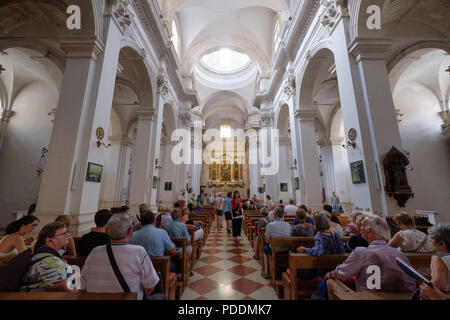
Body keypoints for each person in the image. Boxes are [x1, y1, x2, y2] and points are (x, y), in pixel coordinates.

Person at [325, 214, 417, 299]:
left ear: (369, 231)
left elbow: (341, 274)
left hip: (372, 297)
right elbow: (411, 282)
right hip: (403, 298)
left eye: (362, 229)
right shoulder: (401, 255)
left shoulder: (361, 252)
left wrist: (330, 274)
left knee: (330, 282)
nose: (361, 232)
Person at [81, 214, 163, 300]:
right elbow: (150, 286)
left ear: (107, 231)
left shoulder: (95, 252)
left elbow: (83, 284)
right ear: (130, 231)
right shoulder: (139, 252)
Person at [21, 222, 77, 292]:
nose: (68, 235)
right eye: (63, 234)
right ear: (49, 240)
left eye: (67, 232)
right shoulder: (50, 261)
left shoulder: (43, 254)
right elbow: (62, 289)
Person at [295, 212, 345, 280]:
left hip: (324, 269)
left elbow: (318, 252)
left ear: (316, 224)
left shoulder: (319, 236)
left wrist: (304, 249)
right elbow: (342, 251)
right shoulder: (336, 235)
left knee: (300, 268)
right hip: (336, 268)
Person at [261, 207, 291, 279]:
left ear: (275, 215)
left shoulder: (270, 225)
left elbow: (267, 241)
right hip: (286, 249)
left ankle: (266, 272)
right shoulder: (288, 225)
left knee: (265, 249)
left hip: (275, 250)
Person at [427, 223, 450, 293]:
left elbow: (437, 285)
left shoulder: (438, 258)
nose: (429, 242)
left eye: (431, 240)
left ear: (441, 244)